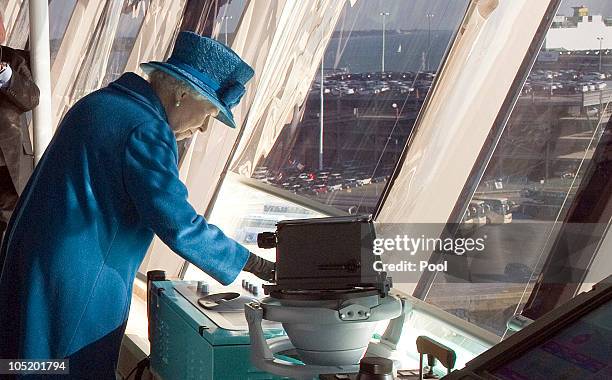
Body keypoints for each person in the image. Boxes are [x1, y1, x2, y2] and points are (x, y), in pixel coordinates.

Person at [0, 31, 274, 378]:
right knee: (68, 370)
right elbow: (179, 224)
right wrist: (254, 264)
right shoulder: (146, 129)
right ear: (180, 94)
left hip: (37, 262)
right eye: (207, 113)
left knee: (28, 363)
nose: (204, 128)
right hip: (80, 280)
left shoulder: (100, 103)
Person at [0, 10, 39, 236]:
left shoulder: (14, 60)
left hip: (11, 160)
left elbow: (31, 97)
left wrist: (4, 75)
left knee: (12, 224)